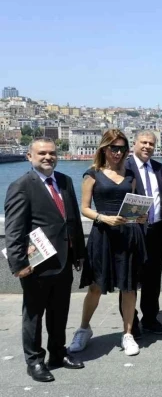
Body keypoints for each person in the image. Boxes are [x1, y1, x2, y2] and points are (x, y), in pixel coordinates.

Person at [4, 138, 86, 382]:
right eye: (42, 153)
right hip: (36, 264)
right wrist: (19, 265)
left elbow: (72, 220)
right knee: (34, 315)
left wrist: (78, 253)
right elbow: (14, 230)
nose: (48, 157)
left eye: (52, 153)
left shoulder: (65, 181)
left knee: (59, 312)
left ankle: (58, 354)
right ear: (29, 156)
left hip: (64, 260)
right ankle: (35, 361)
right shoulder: (21, 186)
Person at [69, 129, 147, 356]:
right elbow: (85, 208)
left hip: (128, 234)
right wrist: (104, 218)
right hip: (103, 234)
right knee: (95, 286)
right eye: (114, 148)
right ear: (104, 149)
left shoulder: (130, 175)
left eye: (122, 148)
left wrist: (139, 216)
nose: (118, 153)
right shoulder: (92, 174)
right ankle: (84, 329)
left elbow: (134, 204)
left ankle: (128, 333)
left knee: (129, 286)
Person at [118, 130, 162, 337]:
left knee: (153, 278)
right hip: (133, 231)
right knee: (130, 279)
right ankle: (131, 322)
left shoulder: (160, 168)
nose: (148, 146)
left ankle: (150, 318)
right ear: (134, 144)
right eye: (144, 142)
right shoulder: (124, 167)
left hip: (156, 230)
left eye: (151, 143)